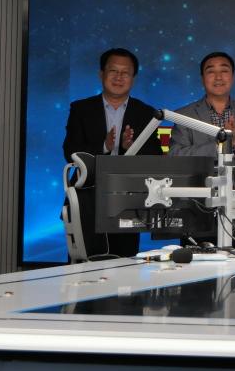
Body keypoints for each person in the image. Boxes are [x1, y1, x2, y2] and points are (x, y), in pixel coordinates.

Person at [62, 47, 163, 259]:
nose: (119, 77)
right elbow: (70, 151)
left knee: (124, 267)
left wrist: (130, 148)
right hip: (87, 200)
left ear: (133, 78)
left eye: (125, 73)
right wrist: (105, 147)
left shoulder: (146, 113)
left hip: (128, 203)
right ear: (101, 74)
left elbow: (156, 158)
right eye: (113, 71)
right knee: (83, 267)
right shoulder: (81, 109)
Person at [170, 52, 235, 189]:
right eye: (211, 71)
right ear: (202, 78)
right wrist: (219, 146)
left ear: (233, 77)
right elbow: (176, 157)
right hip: (198, 194)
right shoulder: (184, 115)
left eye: (224, 71)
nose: (218, 77)